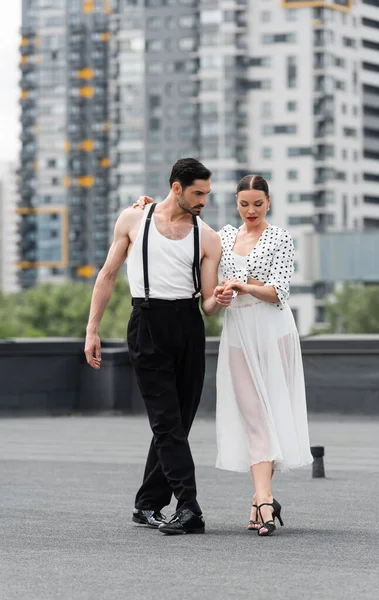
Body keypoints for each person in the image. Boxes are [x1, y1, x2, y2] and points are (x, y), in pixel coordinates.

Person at [135, 173, 313, 537]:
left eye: (258, 204)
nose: (251, 211)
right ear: (236, 203)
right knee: (253, 416)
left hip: (273, 330)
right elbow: (181, 220)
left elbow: (279, 292)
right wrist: (146, 208)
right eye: (244, 204)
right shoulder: (223, 236)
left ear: (269, 202)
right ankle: (264, 499)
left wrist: (242, 286)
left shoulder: (280, 237)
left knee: (271, 413)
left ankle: (261, 498)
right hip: (237, 333)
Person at [84, 158, 232, 536]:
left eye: (207, 194)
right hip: (146, 323)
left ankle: (147, 504)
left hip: (188, 326)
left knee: (178, 422)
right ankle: (189, 506)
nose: (204, 201)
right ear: (176, 187)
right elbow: (108, 274)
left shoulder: (208, 237)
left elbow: (208, 306)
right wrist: (92, 329)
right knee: (166, 421)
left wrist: (220, 298)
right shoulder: (134, 219)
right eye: (198, 193)